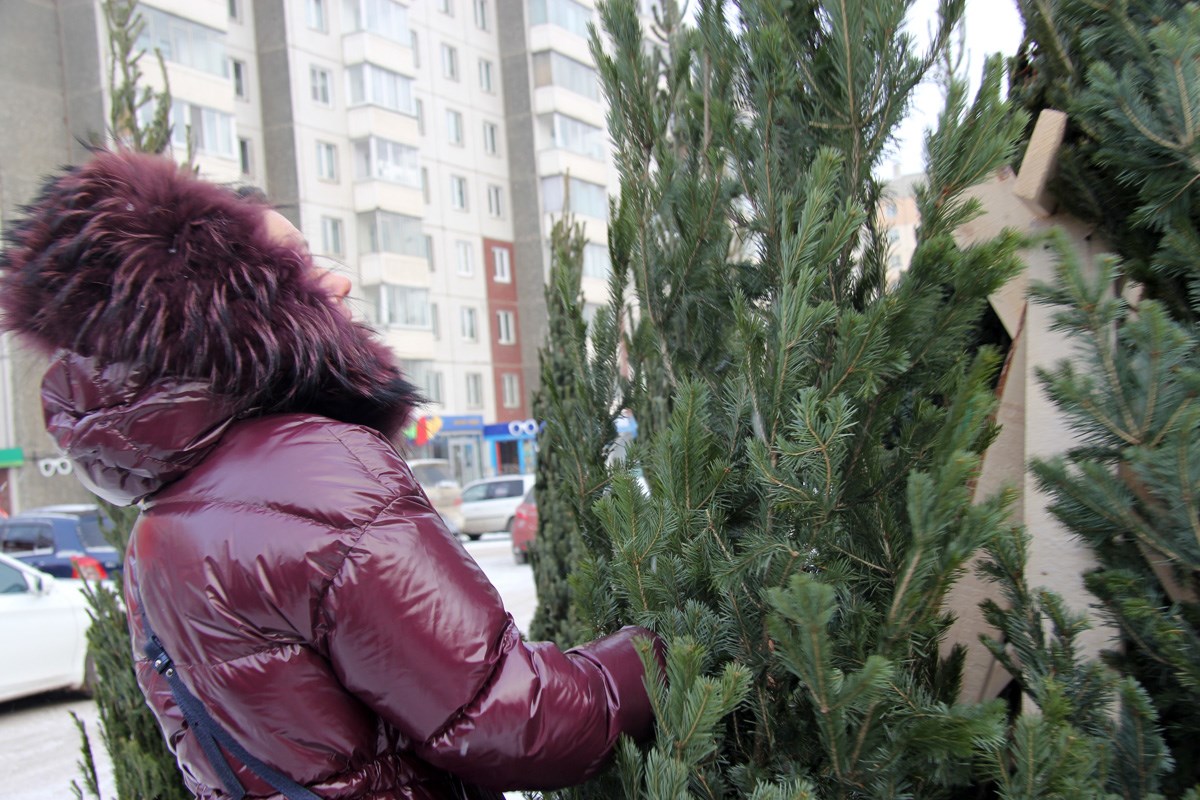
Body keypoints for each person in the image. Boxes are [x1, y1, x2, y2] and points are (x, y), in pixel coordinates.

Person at [0, 149, 659, 799]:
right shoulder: (317, 469)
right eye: (297, 269)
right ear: (233, 310)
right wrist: (668, 654)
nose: (337, 283)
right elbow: (512, 721)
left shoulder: (161, 519)